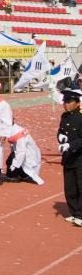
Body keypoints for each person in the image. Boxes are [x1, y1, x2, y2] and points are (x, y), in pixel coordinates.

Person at [59, 89, 82, 226]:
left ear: (77, 103)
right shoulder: (64, 116)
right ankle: (74, 213)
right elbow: (60, 130)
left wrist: (70, 145)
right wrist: (60, 137)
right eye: (64, 102)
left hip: (79, 157)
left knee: (81, 186)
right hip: (68, 158)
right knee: (70, 188)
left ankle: (80, 215)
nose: (65, 104)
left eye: (69, 102)